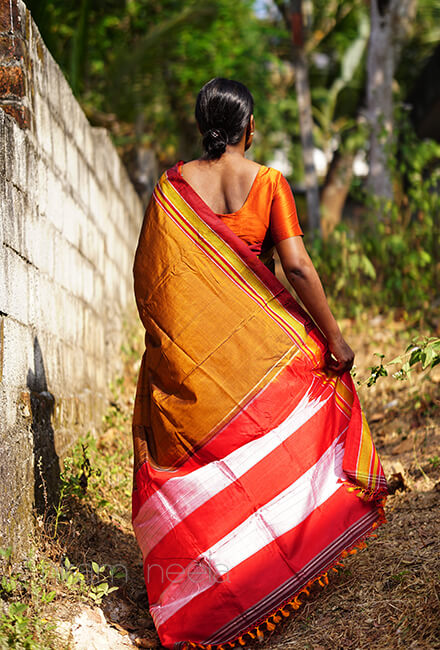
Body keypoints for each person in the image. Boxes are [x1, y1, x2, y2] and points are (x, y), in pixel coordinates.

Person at [131, 78, 388, 650]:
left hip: (201, 364)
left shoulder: (171, 192)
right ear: (248, 126)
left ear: (206, 125)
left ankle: (217, 583)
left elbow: (153, 285)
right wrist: (335, 339)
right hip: (264, 356)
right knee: (326, 390)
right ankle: (290, 550)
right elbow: (295, 266)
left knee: (215, 471)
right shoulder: (268, 181)